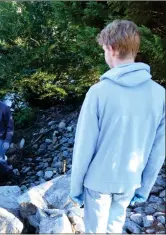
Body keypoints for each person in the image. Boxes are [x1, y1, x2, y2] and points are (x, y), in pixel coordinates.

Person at [70, 19, 165, 233]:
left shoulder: (98, 92)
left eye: (104, 49)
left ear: (111, 49)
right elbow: (159, 149)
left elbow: (84, 146)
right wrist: (145, 186)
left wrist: (76, 187)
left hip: (98, 181)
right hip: (129, 181)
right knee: (115, 227)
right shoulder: (160, 94)